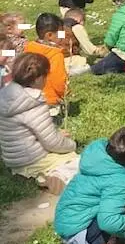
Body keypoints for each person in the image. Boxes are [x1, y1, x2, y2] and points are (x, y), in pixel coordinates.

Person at [0, 52, 78, 194]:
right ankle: (53, 176)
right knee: (77, 161)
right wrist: (71, 144)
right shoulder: (33, 101)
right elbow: (52, 142)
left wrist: (57, 133)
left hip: (13, 159)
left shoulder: (6, 95)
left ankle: (45, 174)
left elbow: (24, 131)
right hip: (34, 158)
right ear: (38, 78)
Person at [23, 13, 68, 108]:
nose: (62, 36)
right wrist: (65, 92)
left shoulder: (28, 47)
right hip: (49, 100)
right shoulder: (55, 54)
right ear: (50, 35)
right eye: (60, 33)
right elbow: (58, 80)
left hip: (27, 99)